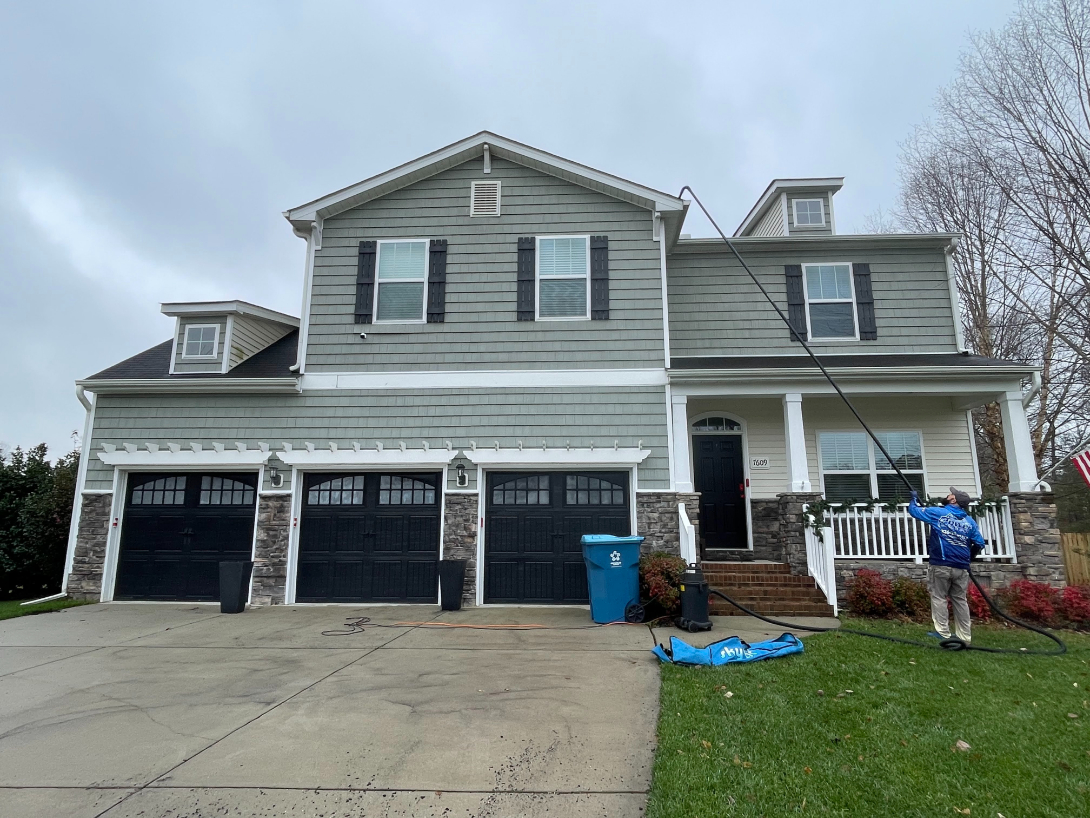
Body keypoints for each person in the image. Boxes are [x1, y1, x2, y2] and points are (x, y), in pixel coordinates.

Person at [907, 487, 986, 644]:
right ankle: (965, 636)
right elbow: (979, 543)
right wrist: (968, 559)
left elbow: (915, 511)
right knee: (960, 599)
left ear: (953, 500)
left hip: (941, 564)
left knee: (939, 596)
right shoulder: (969, 522)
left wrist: (913, 499)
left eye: (951, 494)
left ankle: (942, 632)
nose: (948, 494)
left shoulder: (939, 513)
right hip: (962, 567)